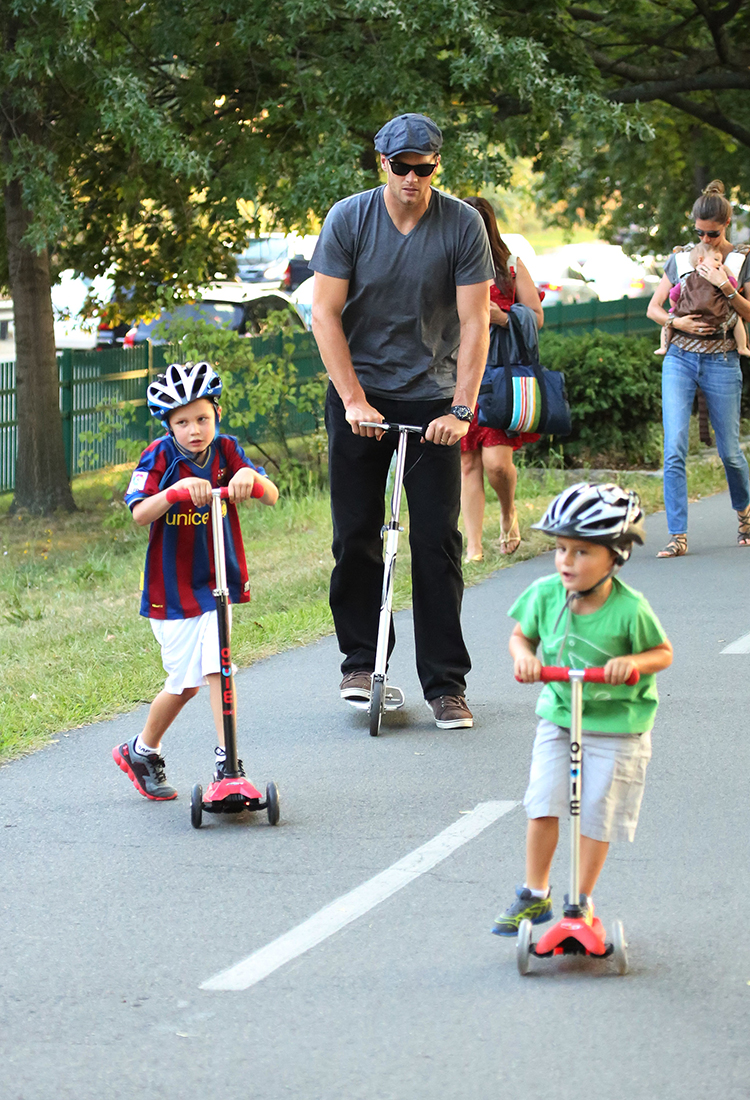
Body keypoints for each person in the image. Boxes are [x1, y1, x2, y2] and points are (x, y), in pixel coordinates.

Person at [310, 112, 493, 730]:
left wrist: (461, 408)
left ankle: (446, 684)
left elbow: (475, 321)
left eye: (425, 168)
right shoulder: (349, 219)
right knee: (356, 536)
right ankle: (363, 664)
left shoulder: (462, 225)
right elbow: (324, 314)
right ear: (382, 163)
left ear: (436, 165)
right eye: (402, 167)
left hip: (432, 401)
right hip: (360, 395)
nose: (413, 178)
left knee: (436, 542)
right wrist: (354, 400)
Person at [491, 482, 673, 935]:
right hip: (560, 716)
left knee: (596, 811)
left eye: (582, 552)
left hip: (619, 727)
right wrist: (524, 657)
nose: (566, 561)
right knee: (543, 800)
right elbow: (520, 636)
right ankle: (535, 894)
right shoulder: (545, 594)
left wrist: (632, 663)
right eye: (561, 549)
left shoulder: (630, 609)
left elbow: (662, 653)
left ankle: (580, 901)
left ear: (616, 555)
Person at [112, 361, 279, 800]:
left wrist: (249, 477)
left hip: (216, 583)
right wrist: (173, 493)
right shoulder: (160, 456)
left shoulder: (227, 450)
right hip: (171, 590)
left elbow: (271, 494)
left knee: (217, 668)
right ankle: (141, 749)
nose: (194, 430)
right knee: (184, 685)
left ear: (216, 414)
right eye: (182, 423)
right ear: (169, 426)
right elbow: (138, 512)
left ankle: (228, 762)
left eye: (202, 419)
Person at [647, 180, 750, 558]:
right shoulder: (681, 258)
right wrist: (675, 322)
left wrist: (725, 286)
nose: (705, 239)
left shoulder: (744, 260)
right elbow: (654, 308)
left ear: (726, 225)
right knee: (674, 448)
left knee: (730, 452)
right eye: (699, 232)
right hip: (680, 357)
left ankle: (744, 513)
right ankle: (677, 535)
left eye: (711, 233)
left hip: (722, 358)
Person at [459, 197, 545, 562]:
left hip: (500, 375)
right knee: (467, 462)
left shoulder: (509, 265)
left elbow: (536, 316)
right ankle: (474, 547)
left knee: (496, 462)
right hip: (460, 374)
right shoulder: (448, 263)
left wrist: (503, 317)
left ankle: (508, 511)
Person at [654, 240, 750, 362]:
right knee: (736, 319)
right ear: (700, 260)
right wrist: (727, 273)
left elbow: (674, 295)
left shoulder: (688, 278)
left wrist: (675, 308)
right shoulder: (711, 278)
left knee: (668, 323)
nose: (720, 264)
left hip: (695, 314)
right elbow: (733, 285)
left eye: (721, 261)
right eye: (716, 260)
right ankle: (742, 346)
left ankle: (663, 346)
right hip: (713, 314)